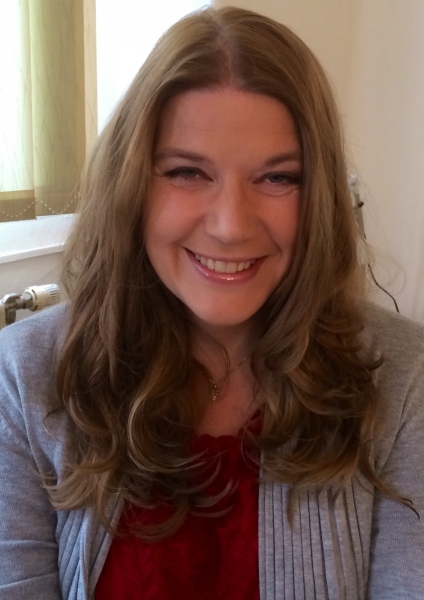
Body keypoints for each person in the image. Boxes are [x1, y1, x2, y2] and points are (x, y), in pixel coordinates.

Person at [1, 6, 423, 600]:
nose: (230, 226)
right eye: (187, 172)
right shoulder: (24, 375)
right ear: (132, 185)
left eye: (277, 178)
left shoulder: (404, 378)